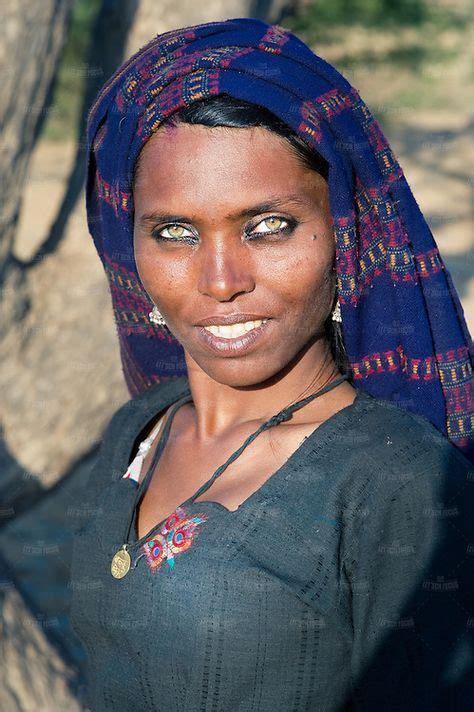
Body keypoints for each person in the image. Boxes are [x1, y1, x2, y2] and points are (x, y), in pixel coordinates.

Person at [69, 17, 474, 711]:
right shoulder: (140, 429)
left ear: (345, 231)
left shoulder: (400, 481)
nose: (221, 280)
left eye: (268, 227)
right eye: (174, 232)